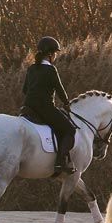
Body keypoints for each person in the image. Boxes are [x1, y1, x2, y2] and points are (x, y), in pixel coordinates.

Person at [23, 36, 76, 176]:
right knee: (70, 130)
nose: (56, 56)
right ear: (51, 54)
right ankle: (59, 162)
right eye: (55, 53)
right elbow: (60, 90)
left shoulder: (31, 69)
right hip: (44, 108)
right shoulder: (51, 70)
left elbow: (24, 90)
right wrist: (66, 103)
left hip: (28, 107)